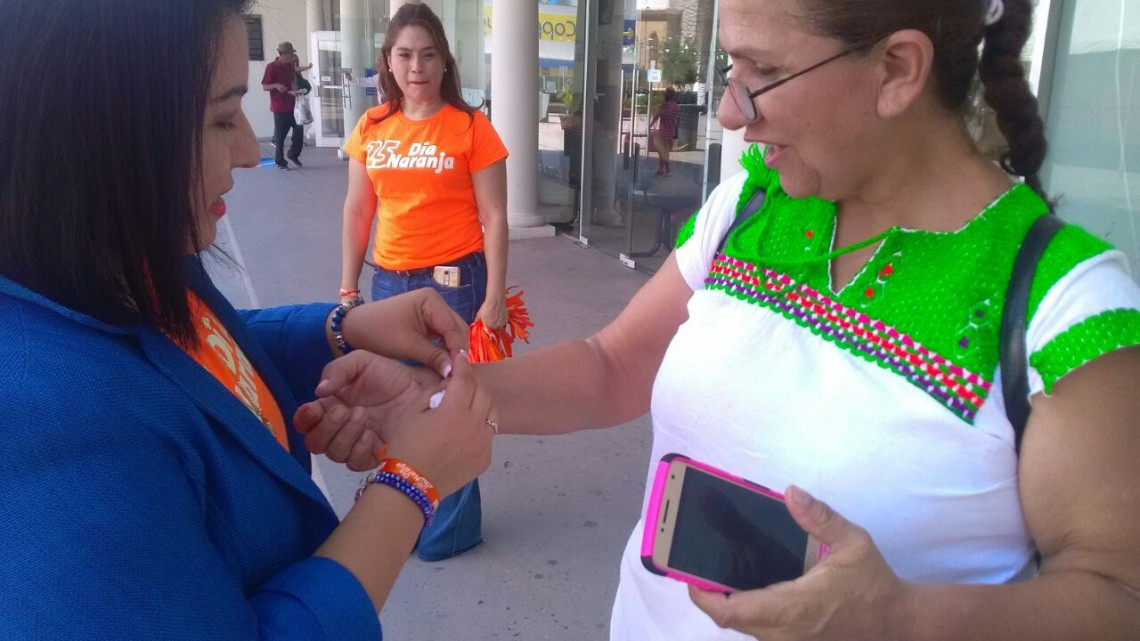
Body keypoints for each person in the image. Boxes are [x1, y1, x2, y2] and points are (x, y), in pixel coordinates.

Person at [305, 0, 1140, 638]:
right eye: (729, 67)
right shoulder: (750, 204)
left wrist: (904, 618)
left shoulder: (1061, 300)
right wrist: (437, 395)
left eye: (760, 70)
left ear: (897, 69)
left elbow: (1117, 590)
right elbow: (612, 364)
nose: (732, 112)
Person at [0, 1, 495, 639]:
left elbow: (186, 347)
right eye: (220, 118)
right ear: (99, 130)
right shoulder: (40, 424)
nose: (244, 150)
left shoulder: (125, 250)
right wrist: (411, 485)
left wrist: (340, 328)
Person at [336, 2, 510, 562]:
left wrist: (495, 296)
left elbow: (495, 217)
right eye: (406, 55)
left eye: (429, 55)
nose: (417, 67)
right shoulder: (372, 126)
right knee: (398, 403)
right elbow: (358, 211)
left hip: (454, 284)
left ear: (444, 61)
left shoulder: (471, 127)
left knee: (448, 404)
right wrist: (348, 291)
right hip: (388, 285)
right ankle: (411, 514)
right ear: (388, 61)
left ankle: (451, 530)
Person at [262, 41, 304, 169]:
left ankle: (293, 154)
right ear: (283, 54)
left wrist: (297, 90)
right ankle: (280, 162)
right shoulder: (271, 67)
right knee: (280, 137)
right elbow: (265, 86)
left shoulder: (290, 66)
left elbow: (293, 81)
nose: (292, 57)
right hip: (279, 107)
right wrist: (276, 85)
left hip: (293, 105)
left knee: (299, 131)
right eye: (291, 54)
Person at [648, 87, 680, 176]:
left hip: (663, 131)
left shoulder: (664, 105)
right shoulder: (676, 106)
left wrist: (649, 126)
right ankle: (666, 168)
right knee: (665, 150)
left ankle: (662, 168)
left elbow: (656, 116)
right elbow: (676, 119)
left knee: (661, 150)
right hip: (671, 131)